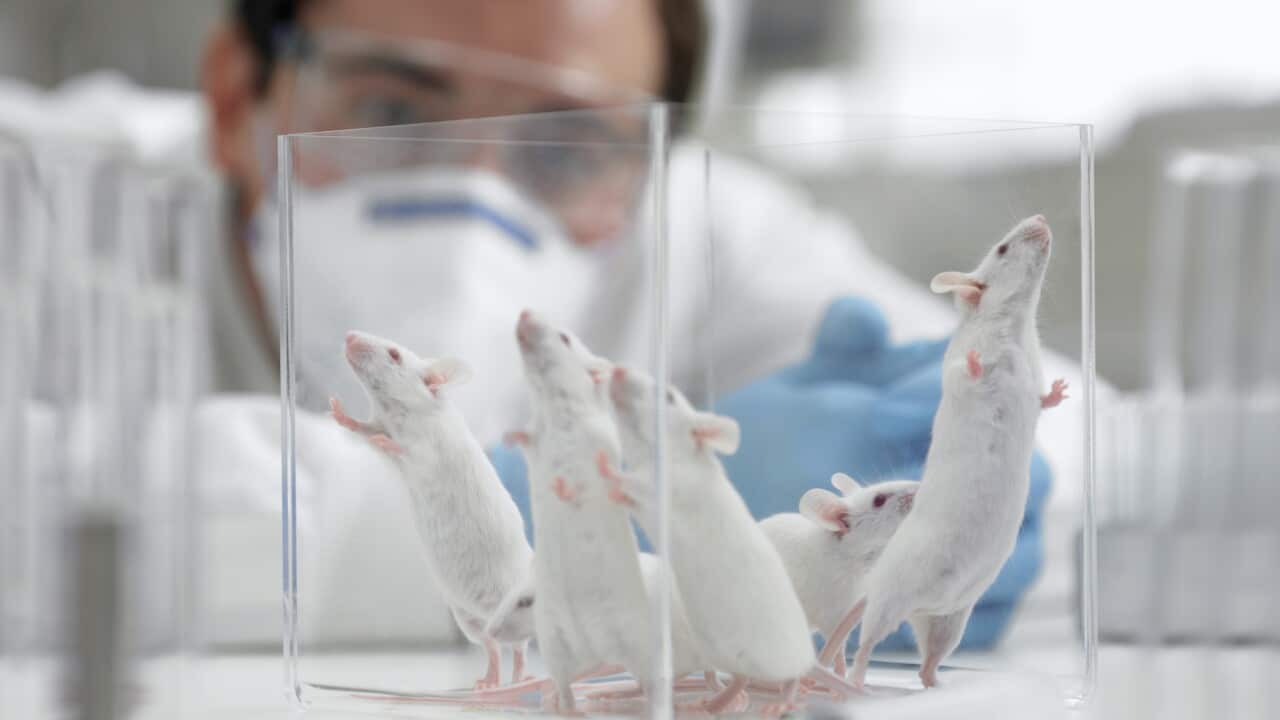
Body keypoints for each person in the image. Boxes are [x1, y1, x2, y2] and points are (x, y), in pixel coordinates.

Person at [200, 0, 1064, 652]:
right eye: (391, 112)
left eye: (566, 147)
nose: (474, 195)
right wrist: (581, 515)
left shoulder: (700, 226)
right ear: (236, 96)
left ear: (654, 163)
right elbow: (72, 538)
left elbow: (1125, 448)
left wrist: (973, 491)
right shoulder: (80, 198)